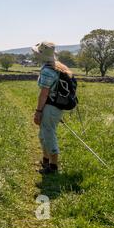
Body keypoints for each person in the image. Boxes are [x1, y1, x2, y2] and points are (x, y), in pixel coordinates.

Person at [32, 42, 73, 175]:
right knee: (43, 134)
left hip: (50, 107)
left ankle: (53, 166)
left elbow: (44, 93)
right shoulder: (57, 66)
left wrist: (38, 112)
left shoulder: (48, 70)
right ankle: (46, 160)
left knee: (48, 134)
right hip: (54, 106)